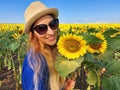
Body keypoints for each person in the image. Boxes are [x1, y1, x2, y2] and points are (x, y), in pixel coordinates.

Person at [22, 1, 75, 90]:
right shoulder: (36, 66)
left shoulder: (51, 50)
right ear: (33, 34)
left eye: (53, 24)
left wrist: (64, 87)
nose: (51, 32)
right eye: (41, 28)